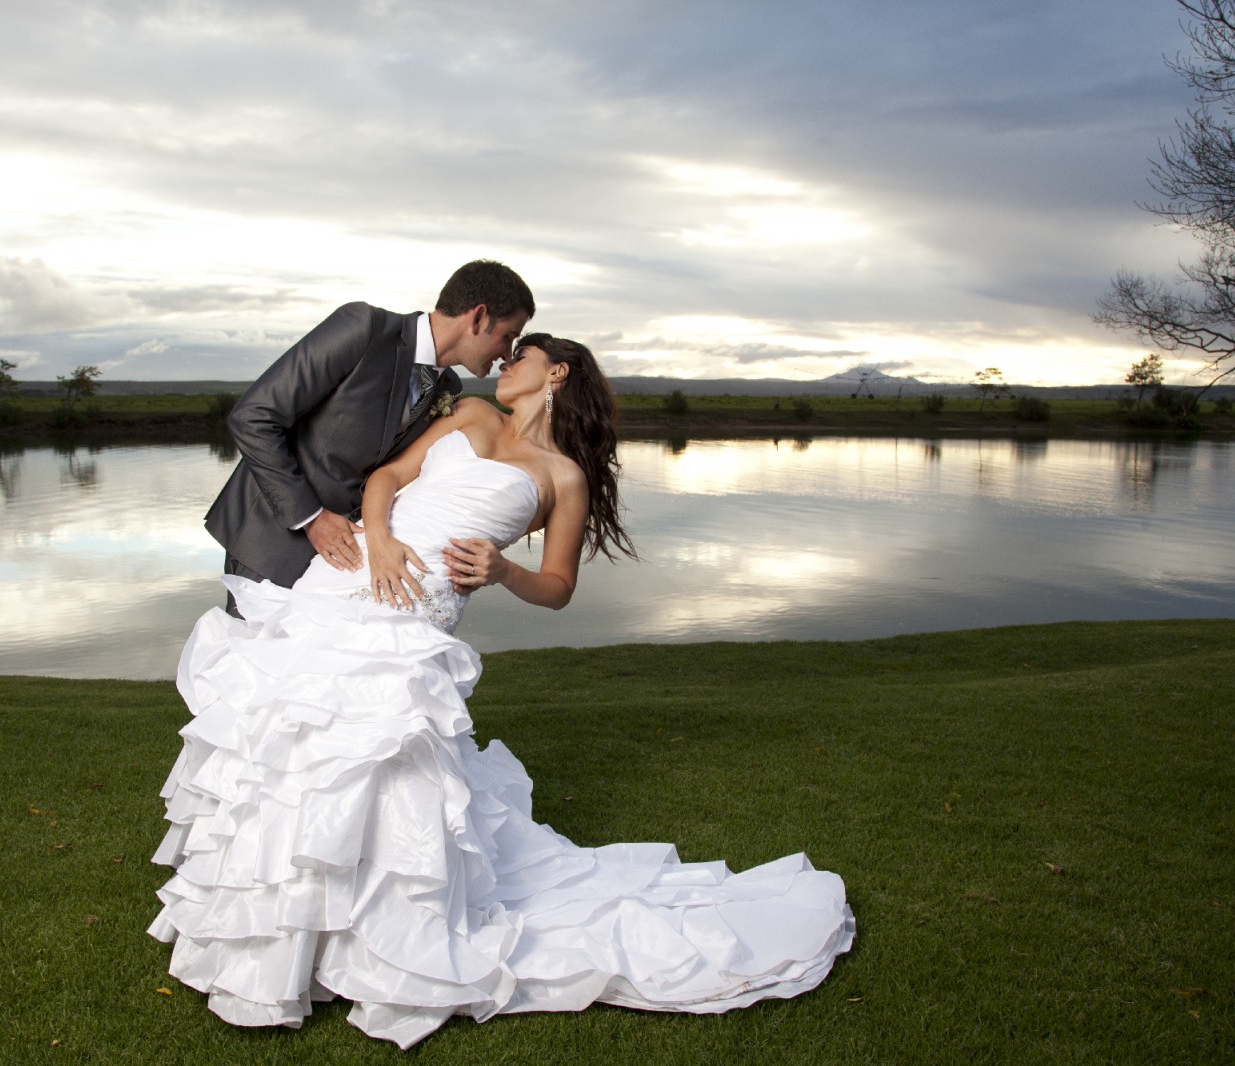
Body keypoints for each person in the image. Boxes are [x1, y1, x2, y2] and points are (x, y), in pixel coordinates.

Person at [150, 335, 855, 1048]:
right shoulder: (471, 416)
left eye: (523, 355)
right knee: (294, 743)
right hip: (352, 570)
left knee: (376, 758)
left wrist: (500, 573)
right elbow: (387, 477)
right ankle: (276, 939)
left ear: (557, 373)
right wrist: (384, 540)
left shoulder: (564, 478)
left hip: (412, 615)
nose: (505, 363)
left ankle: (365, 940)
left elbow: (557, 587)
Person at [205, 260, 535, 611]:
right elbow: (253, 416)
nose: (506, 354)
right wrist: (312, 519)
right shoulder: (365, 329)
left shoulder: (448, 388)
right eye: (508, 336)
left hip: (346, 563)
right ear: (479, 318)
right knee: (255, 659)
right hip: (274, 537)